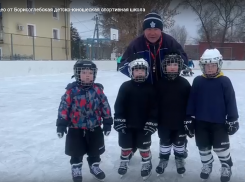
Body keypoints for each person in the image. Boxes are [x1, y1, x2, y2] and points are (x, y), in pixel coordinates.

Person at [118, 11, 189, 158]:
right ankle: (131, 147)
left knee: (173, 117)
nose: (152, 33)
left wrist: (174, 73)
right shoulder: (136, 44)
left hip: (167, 88)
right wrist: (137, 77)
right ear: (144, 30)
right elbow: (122, 64)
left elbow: (183, 59)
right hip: (144, 88)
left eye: (156, 29)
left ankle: (180, 144)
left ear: (161, 29)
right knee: (138, 117)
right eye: (148, 29)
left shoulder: (170, 42)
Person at [185, 49, 239, 182]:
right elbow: (192, 100)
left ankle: (226, 166)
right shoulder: (198, 81)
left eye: (213, 65)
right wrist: (188, 118)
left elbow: (230, 101)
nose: (210, 68)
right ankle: (206, 165)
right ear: (203, 66)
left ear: (218, 65)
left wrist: (232, 119)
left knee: (221, 148)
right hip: (201, 122)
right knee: (203, 147)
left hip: (219, 123)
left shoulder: (224, 81)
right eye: (207, 66)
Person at [56, 60, 113, 182]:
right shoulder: (71, 91)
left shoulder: (98, 90)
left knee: (95, 150)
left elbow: (105, 106)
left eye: (90, 73)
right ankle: (76, 167)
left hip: (95, 127)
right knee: (75, 151)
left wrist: (107, 122)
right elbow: (64, 107)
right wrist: (61, 124)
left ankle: (94, 166)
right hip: (75, 127)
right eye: (84, 72)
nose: (87, 75)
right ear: (77, 74)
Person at [114, 57, 158, 180]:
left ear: (147, 72)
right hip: (127, 124)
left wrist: (152, 120)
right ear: (131, 71)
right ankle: (124, 160)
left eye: (142, 70)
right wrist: (118, 118)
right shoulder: (125, 86)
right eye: (136, 70)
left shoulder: (150, 88)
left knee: (144, 147)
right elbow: (119, 104)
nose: (139, 72)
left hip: (144, 125)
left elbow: (154, 107)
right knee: (126, 145)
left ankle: (146, 163)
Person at [155, 52, 191, 176]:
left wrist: (189, 119)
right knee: (164, 141)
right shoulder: (159, 84)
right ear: (164, 66)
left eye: (175, 64)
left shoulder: (185, 83)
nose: (172, 67)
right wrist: (154, 118)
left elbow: (190, 103)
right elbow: (155, 103)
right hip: (164, 121)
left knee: (179, 142)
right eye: (169, 64)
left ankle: (179, 159)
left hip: (180, 121)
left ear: (180, 66)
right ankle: (163, 159)